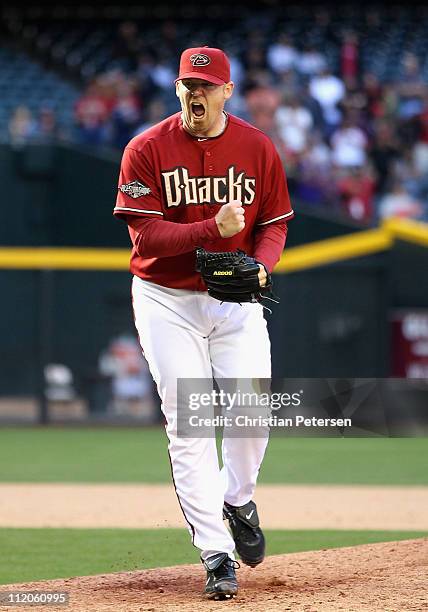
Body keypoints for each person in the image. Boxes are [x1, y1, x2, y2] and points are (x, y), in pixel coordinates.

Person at [113, 46, 294, 600]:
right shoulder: (146, 148)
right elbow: (145, 237)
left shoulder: (256, 147)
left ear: (227, 92)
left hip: (233, 299)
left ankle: (237, 500)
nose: (198, 93)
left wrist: (262, 267)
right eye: (189, 84)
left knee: (252, 415)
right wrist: (212, 228)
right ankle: (215, 552)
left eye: (208, 85)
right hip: (166, 299)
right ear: (177, 89)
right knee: (189, 421)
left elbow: (275, 223)